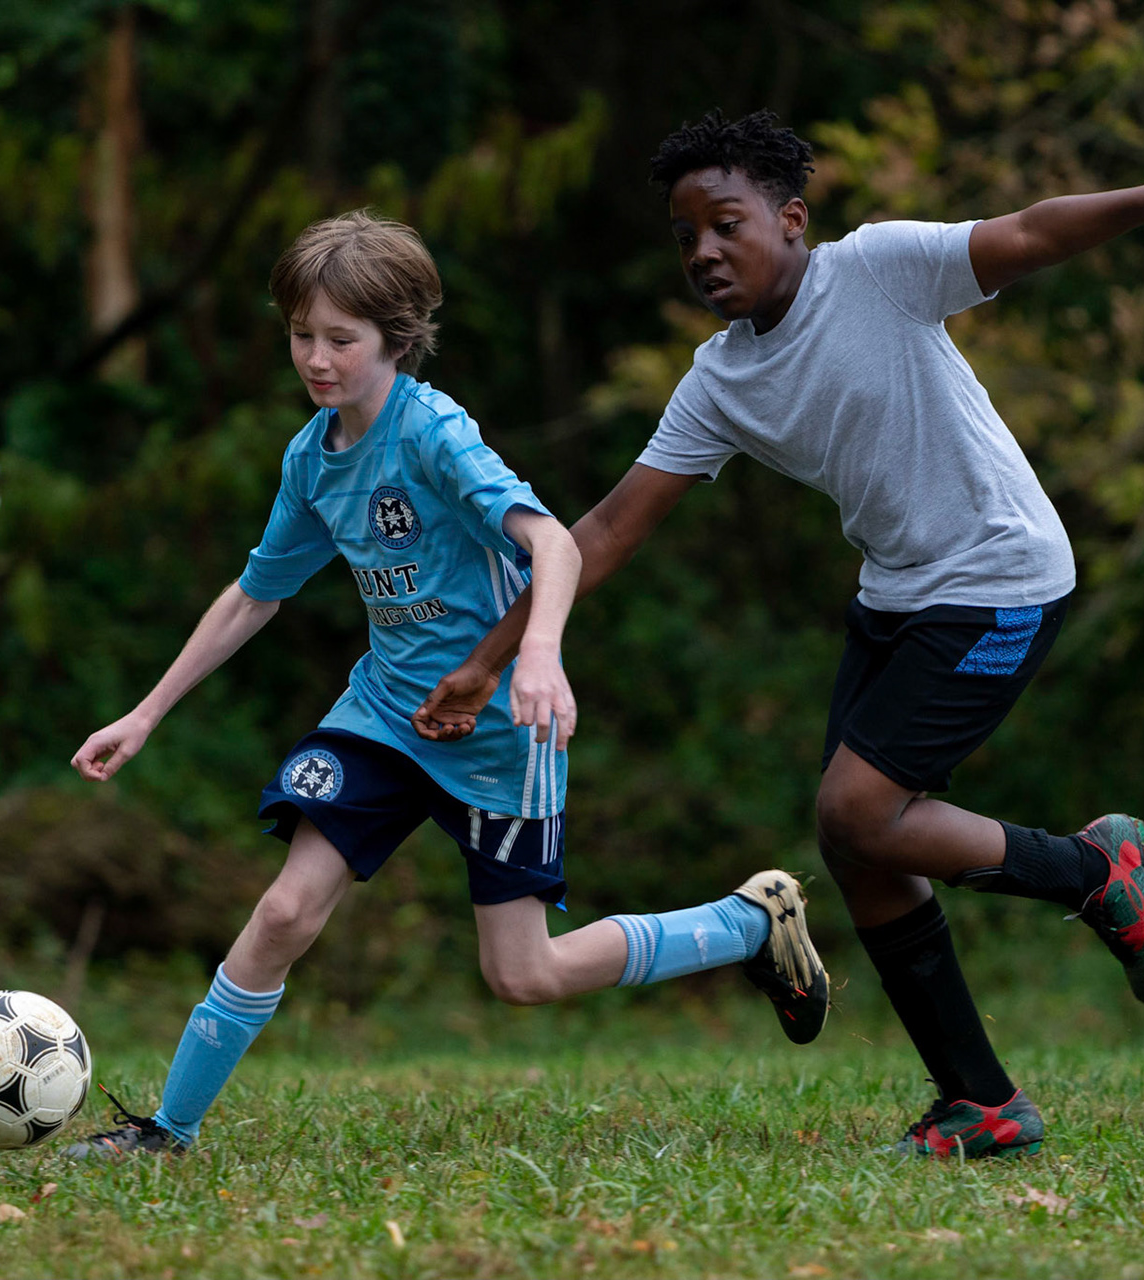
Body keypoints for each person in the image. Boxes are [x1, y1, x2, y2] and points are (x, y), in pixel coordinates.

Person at [414, 109, 1144, 1159]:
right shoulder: (721, 379)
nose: (704, 253)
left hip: (1002, 578)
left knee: (858, 807)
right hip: (900, 594)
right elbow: (603, 529)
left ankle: (1092, 871)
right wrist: (488, 655)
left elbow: (1032, 232)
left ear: (791, 219)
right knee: (854, 835)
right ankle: (981, 1099)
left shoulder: (878, 269)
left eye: (725, 224)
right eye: (686, 236)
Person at [67, 211, 829, 1159]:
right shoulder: (312, 460)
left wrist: (538, 654)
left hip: (501, 738)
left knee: (523, 977)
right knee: (284, 909)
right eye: (302, 335)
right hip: (384, 715)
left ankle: (744, 926)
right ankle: (165, 1131)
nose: (316, 358)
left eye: (340, 339)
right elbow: (254, 596)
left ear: (396, 334)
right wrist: (145, 712)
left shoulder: (431, 431)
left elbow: (552, 540)